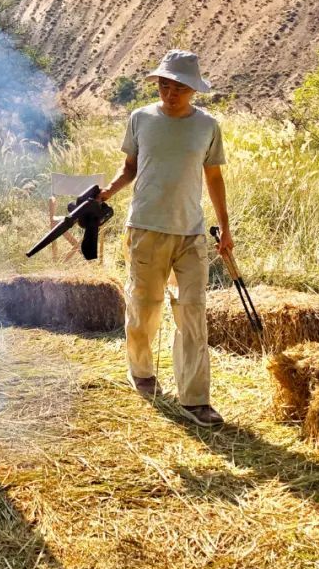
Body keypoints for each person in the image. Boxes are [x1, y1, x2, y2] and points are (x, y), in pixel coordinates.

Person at [99, 50, 231, 427]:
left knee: (192, 313)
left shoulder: (207, 125)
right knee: (145, 306)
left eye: (179, 87)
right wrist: (108, 192)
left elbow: (215, 177)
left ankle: (195, 399)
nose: (170, 93)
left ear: (193, 89)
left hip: (190, 233)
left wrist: (225, 228)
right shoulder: (141, 118)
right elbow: (130, 167)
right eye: (164, 85)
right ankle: (141, 372)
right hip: (146, 228)